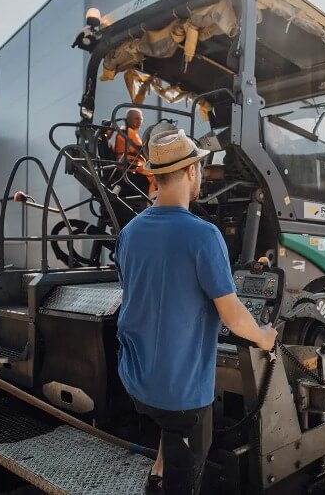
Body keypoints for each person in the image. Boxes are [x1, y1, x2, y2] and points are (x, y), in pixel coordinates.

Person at [115, 129, 277, 495]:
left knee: (167, 430)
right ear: (191, 173)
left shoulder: (129, 233)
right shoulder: (203, 236)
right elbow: (233, 315)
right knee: (185, 477)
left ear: (155, 176)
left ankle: (157, 473)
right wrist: (265, 337)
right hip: (181, 395)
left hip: (135, 379)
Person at [112, 108, 158, 199]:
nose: (139, 121)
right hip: (129, 164)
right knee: (156, 175)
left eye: (141, 119)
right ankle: (152, 201)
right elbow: (141, 149)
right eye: (136, 118)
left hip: (132, 163)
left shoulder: (129, 131)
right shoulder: (128, 132)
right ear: (128, 119)